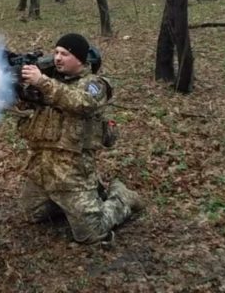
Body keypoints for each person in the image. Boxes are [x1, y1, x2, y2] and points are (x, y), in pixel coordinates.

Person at [16, 33, 143, 244]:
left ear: (81, 59)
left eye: (64, 54)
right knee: (32, 214)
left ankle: (121, 198)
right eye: (55, 52)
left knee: (91, 233)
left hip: (72, 173)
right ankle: (69, 206)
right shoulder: (49, 83)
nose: (57, 58)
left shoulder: (94, 84)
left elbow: (82, 103)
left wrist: (43, 82)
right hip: (42, 171)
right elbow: (23, 111)